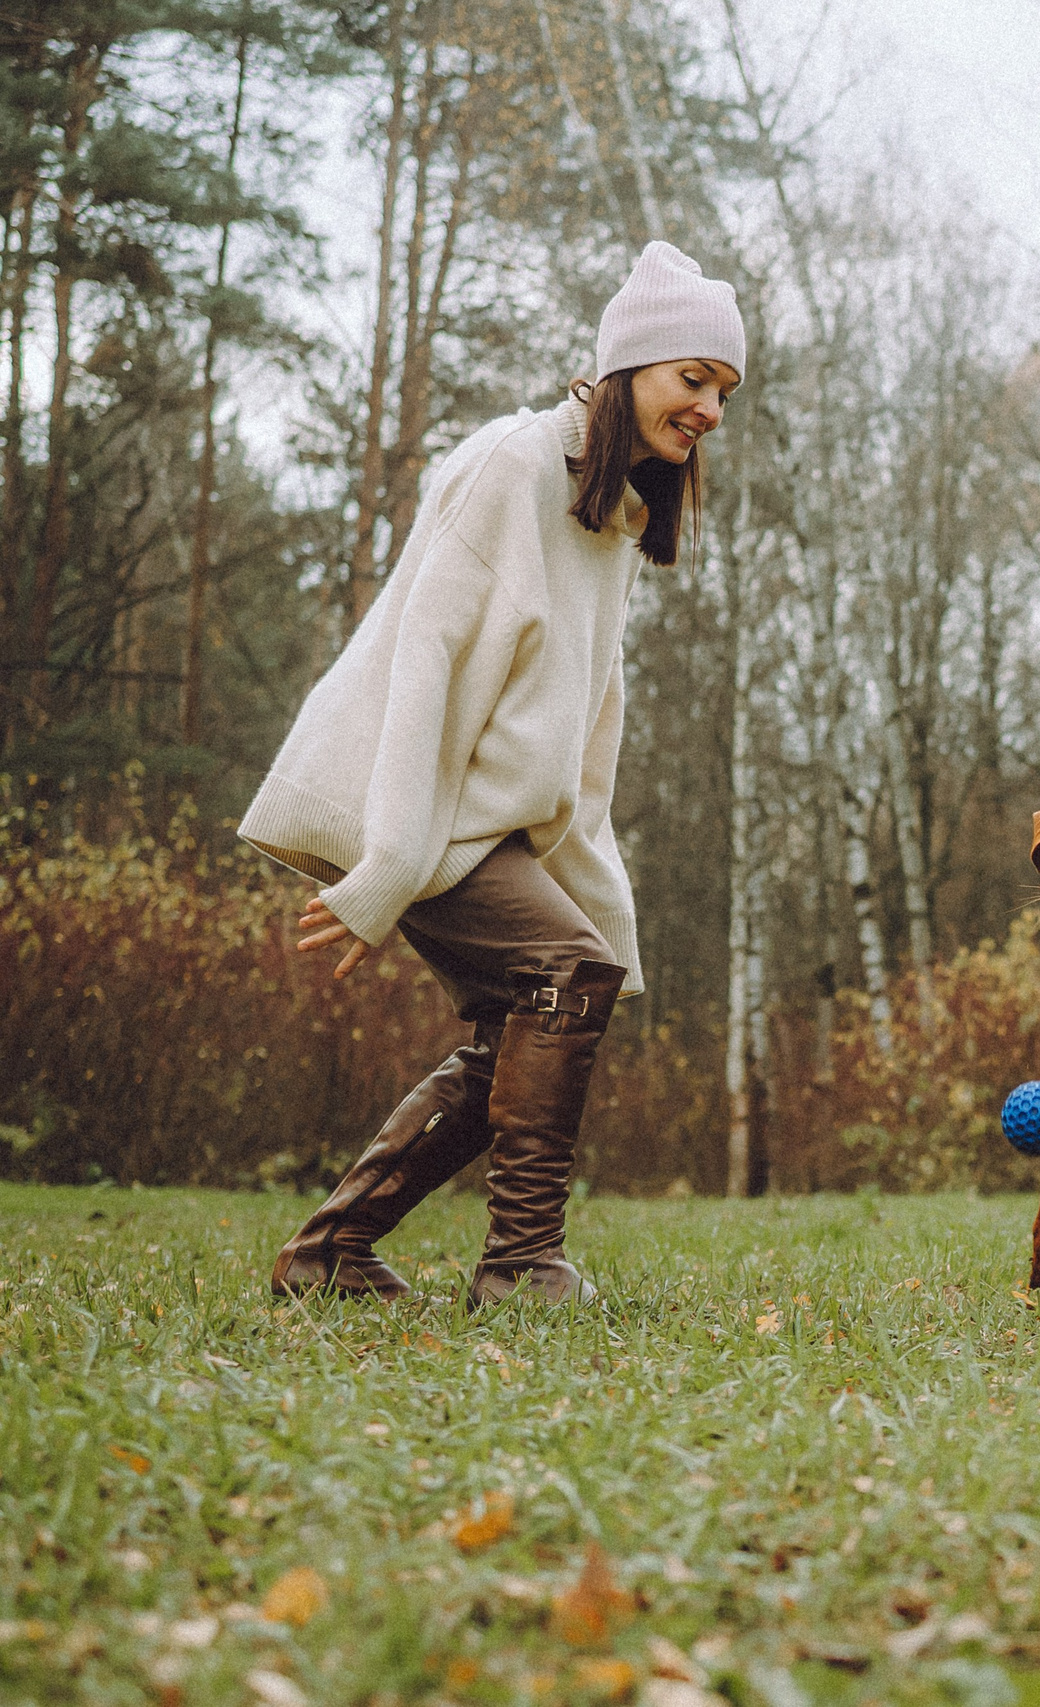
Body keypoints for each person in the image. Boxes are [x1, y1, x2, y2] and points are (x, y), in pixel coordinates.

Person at [242, 241, 744, 1306]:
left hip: (492, 821)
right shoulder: (509, 466)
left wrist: (589, 871)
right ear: (624, 370)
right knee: (570, 974)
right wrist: (390, 858)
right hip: (420, 806)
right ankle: (519, 1263)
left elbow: (579, 726)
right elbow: (421, 664)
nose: (709, 410)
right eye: (693, 379)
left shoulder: (612, 516)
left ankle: (328, 1254)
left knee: (520, 1026)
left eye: (724, 391)